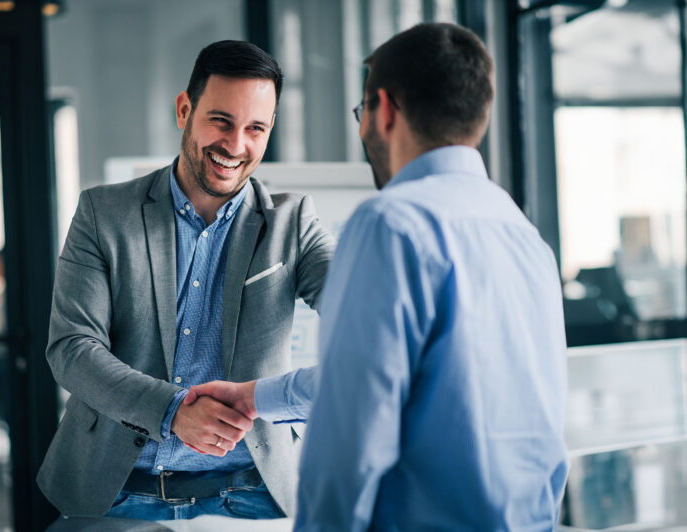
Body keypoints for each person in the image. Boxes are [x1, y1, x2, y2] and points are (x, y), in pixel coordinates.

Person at [185, 23, 569, 529]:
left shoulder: (391, 224)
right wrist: (256, 397)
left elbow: (351, 433)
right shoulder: (525, 238)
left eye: (361, 112)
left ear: (383, 110)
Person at [36, 40, 335, 521]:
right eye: (221, 121)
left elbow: (364, 309)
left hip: (252, 494)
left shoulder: (292, 222)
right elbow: (72, 348)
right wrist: (172, 410)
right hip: (118, 489)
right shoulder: (103, 213)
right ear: (184, 110)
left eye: (254, 128)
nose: (235, 146)